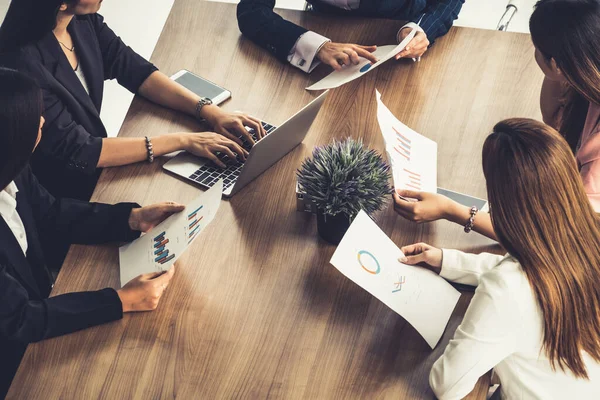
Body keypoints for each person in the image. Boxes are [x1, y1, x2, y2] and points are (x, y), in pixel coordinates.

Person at [0, 67, 183, 398]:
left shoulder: (13, 168)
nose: (42, 120)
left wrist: (131, 219)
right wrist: (121, 300)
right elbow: (20, 320)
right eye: (34, 115)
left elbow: (52, 213)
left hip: (39, 308)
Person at [400, 118, 600, 399]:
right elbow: (536, 272)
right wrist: (447, 261)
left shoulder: (507, 290)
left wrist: (480, 320)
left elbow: (447, 385)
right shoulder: (587, 232)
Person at [0, 0, 266, 201]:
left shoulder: (81, 22)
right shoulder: (23, 64)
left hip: (97, 170)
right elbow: (80, 150)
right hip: (63, 195)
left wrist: (209, 111)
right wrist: (183, 140)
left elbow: (133, 69)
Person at [392, 0, 600, 241]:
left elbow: (555, 240)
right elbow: (555, 126)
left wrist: (451, 211)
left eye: (537, 48)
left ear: (556, 64)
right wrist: (558, 69)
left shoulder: (594, 166)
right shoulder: (585, 77)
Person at [237, 0, 464, 73]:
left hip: (399, 39)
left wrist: (421, 28)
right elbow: (251, 12)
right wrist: (316, 46)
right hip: (324, 32)